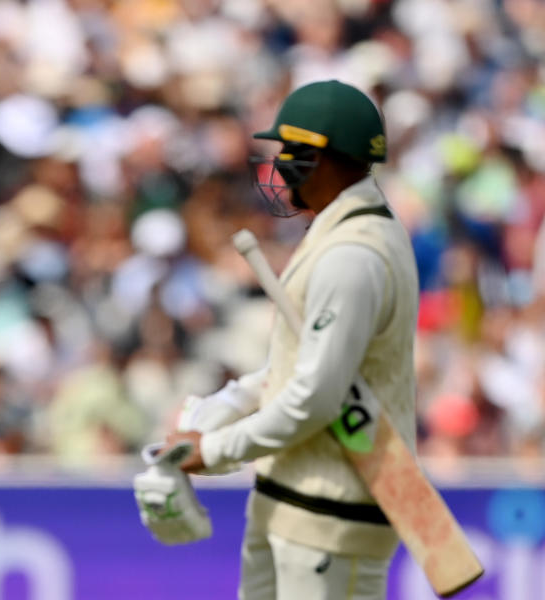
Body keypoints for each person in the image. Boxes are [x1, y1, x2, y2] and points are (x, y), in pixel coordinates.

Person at [165, 80, 419, 600]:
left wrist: (213, 448)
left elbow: (318, 396)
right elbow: (302, 366)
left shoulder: (354, 254)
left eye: (289, 153)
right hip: (293, 497)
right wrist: (226, 402)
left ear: (323, 158)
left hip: (330, 510)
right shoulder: (335, 234)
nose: (279, 167)